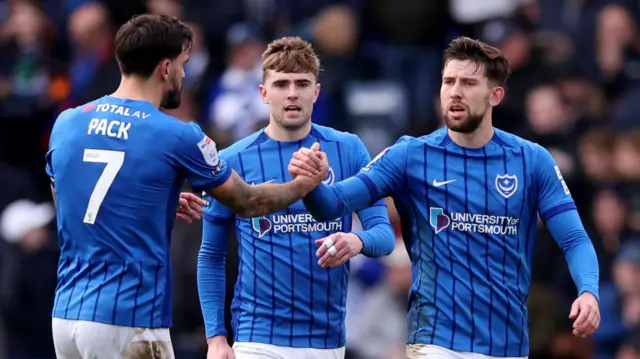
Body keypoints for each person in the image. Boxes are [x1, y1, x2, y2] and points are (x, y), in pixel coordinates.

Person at [289, 36, 601, 359]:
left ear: (496, 95)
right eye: (448, 81)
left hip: (507, 347)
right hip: (436, 343)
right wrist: (311, 185)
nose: (455, 91)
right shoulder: (410, 155)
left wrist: (589, 291)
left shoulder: (532, 161)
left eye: (468, 83)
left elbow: (575, 239)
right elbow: (331, 204)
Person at [45, 15, 327, 359]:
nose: (184, 74)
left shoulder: (68, 121)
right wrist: (303, 185)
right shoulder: (177, 134)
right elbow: (249, 202)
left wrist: (146, 198)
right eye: (183, 64)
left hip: (66, 316)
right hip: (128, 320)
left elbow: (67, 199)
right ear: (165, 67)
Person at [197, 36, 396, 359]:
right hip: (257, 338)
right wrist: (216, 338)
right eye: (281, 84)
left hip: (327, 341)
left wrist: (356, 242)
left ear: (316, 92)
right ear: (263, 93)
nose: (292, 93)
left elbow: (384, 236)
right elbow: (211, 255)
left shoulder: (348, 149)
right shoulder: (232, 160)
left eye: (302, 83)